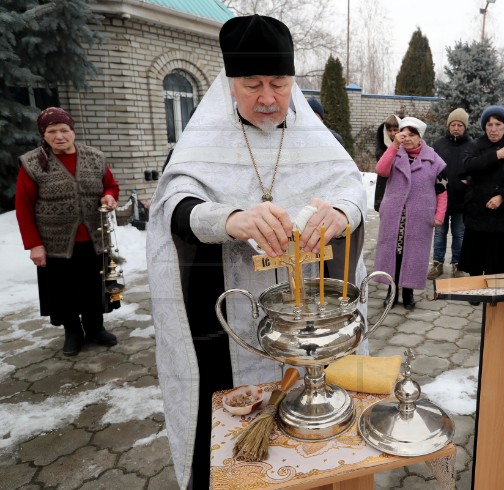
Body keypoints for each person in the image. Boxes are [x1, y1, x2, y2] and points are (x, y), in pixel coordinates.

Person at [146, 15, 367, 489]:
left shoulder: (311, 134)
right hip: (226, 315)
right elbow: (175, 205)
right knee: (231, 443)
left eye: (279, 83)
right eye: (253, 85)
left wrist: (343, 214)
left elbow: (351, 186)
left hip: (307, 312)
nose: (268, 98)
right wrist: (231, 220)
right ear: (231, 84)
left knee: (315, 434)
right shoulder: (203, 138)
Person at [15, 107, 120, 357]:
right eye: (52, 131)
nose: (59, 136)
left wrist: (109, 196)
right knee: (63, 291)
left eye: (64, 130)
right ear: (44, 134)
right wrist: (34, 244)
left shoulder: (94, 157)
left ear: (73, 131)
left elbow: (110, 185)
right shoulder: (33, 163)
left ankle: (96, 328)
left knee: (93, 286)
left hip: (94, 239)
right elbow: (23, 207)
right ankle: (73, 332)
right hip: (55, 243)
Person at [374, 117, 447, 309]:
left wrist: (439, 215)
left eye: (411, 134)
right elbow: (381, 170)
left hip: (418, 217)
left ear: (419, 137)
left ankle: (408, 292)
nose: (406, 138)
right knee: (394, 254)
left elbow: (442, 189)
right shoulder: (394, 154)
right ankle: (392, 291)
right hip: (395, 216)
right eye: (403, 133)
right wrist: (394, 145)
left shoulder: (433, 159)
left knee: (413, 255)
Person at [458, 105, 504, 277]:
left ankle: (496, 295)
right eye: (489, 125)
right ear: (484, 127)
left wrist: (503, 196)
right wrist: (496, 155)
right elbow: (468, 166)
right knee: (477, 257)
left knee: (500, 260)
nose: (493, 129)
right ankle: (475, 291)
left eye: (498, 124)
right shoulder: (476, 145)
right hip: (478, 211)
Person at [428, 108, 472, 279]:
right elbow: (430, 167)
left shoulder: (472, 146)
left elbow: (478, 168)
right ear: (448, 126)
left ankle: (457, 265)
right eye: (453, 124)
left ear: (465, 127)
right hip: (441, 199)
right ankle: (437, 263)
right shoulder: (438, 145)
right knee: (439, 233)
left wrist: (470, 180)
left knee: (459, 233)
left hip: (462, 200)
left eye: (459, 125)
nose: (456, 128)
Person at [373, 114, 400, 212]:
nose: (393, 133)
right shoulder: (382, 146)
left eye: (395, 129)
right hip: (386, 185)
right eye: (389, 130)